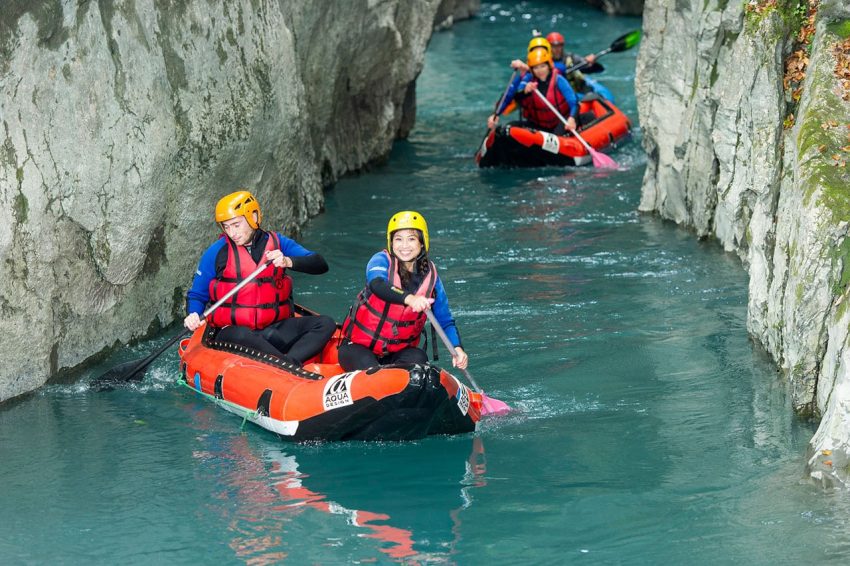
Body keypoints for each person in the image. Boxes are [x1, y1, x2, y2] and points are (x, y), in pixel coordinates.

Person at [184, 190, 336, 367]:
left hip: (273, 328)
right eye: (226, 226)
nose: (232, 232)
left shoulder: (278, 242)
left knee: (326, 323)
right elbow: (196, 295)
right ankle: (288, 365)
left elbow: (320, 264)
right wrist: (193, 314)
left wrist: (288, 261)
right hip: (233, 332)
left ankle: (288, 364)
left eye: (236, 225)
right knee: (241, 335)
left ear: (253, 217)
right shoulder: (217, 252)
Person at [338, 211, 468, 372]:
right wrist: (410, 299)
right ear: (391, 243)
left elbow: (445, 321)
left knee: (419, 359)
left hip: (397, 353)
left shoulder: (431, 278)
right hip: (357, 348)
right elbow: (377, 285)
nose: (404, 245)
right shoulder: (380, 260)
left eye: (411, 239)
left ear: (422, 243)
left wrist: (457, 348)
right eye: (398, 239)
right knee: (373, 371)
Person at [487, 47, 578, 135]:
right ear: (532, 70)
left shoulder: (558, 79)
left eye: (543, 66)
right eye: (536, 68)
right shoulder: (528, 80)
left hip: (560, 121)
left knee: (555, 136)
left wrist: (572, 118)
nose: (540, 71)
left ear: (548, 66)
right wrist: (525, 92)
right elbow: (514, 96)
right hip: (539, 125)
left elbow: (573, 102)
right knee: (509, 127)